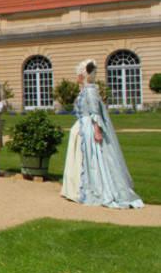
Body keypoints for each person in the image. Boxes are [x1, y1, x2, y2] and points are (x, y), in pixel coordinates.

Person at [61, 60, 144, 208]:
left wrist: (97, 131)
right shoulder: (86, 89)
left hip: (89, 128)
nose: (77, 77)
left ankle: (93, 189)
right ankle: (76, 189)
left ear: (84, 75)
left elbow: (95, 112)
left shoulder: (90, 90)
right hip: (82, 126)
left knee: (94, 159)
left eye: (79, 74)